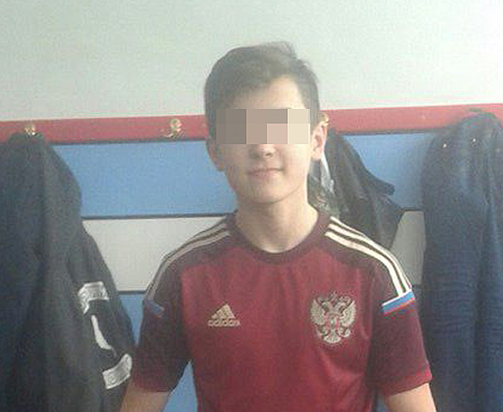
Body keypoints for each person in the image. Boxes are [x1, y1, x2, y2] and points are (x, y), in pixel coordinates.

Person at [120, 42, 436, 412]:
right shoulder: (182, 275)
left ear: (316, 139)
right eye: (241, 129)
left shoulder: (374, 273)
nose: (263, 146)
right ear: (215, 151)